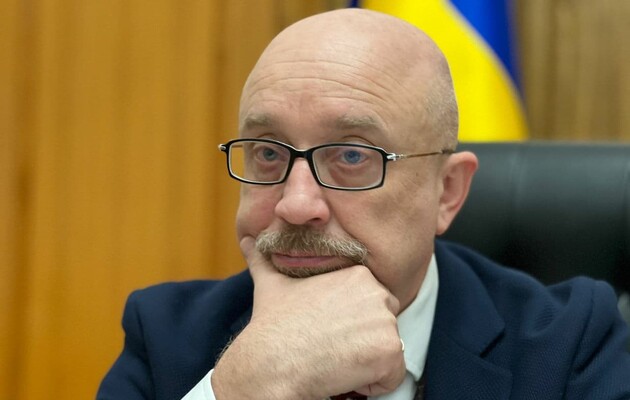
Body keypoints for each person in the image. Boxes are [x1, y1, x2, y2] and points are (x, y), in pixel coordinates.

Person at [97, 8, 630, 400]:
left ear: (447, 191)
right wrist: (243, 390)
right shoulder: (166, 334)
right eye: (268, 152)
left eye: (352, 155)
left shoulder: (569, 345)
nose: (296, 205)